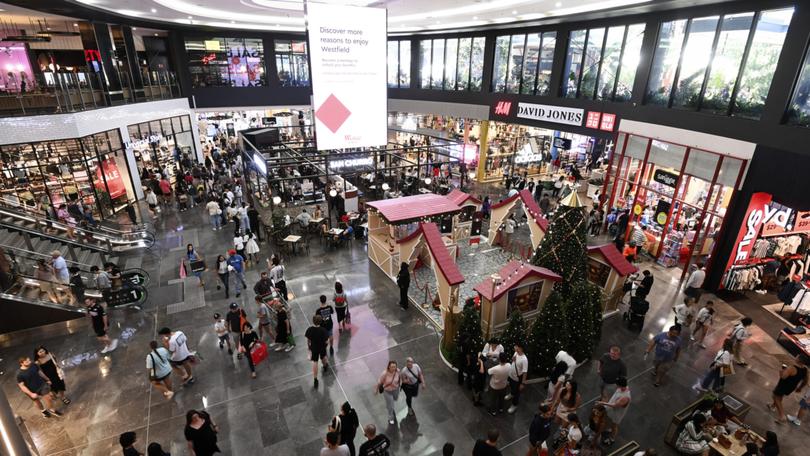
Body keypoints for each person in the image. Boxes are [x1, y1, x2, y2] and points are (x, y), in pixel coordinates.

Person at [769, 358, 808, 423]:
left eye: (797, 357)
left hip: (783, 385)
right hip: (791, 387)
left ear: (799, 360)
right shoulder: (805, 370)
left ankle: (782, 416)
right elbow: (805, 381)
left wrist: (782, 371)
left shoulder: (792, 368)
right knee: (780, 396)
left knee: (775, 397)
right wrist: (800, 388)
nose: (796, 358)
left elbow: (783, 377)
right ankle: (772, 406)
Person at [597, 377, 631, 444]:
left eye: (617, 384)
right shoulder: (622, 388)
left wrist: (603, 403)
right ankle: (608, 428)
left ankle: (612, 439)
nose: (616, 385)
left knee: (614, 425)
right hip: (611, 409)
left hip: (617, 413)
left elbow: (614, 405)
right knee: (609, 419)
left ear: (621, 385)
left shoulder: (625, 397)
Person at [306, 315, 330, 388]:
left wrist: (309, 347)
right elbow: (327, 341)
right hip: (322, 347)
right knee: (323, 357)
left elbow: (308, 340)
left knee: (315, 362)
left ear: (313, 321)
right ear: (321, 321)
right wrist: (326, 344)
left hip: (314, 348)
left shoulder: (309, 329)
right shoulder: (323, 330)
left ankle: (315, 379)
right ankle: (325, 366)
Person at [376, 361, 402, 425]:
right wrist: (376, 390)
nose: (394, 368)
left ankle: (389, 404)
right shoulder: (384, 373)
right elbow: (379, 382)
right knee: (391, 406)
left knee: (395, 399)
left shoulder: (398, 371)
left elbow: (400, 378)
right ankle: (391, 418)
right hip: (387, 391)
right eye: (392, 367)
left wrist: (400, 384)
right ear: (389, 367)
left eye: (395, 366)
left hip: (396, 389)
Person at [507, 343, 528, 414]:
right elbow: (512, 360)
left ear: (521, 348)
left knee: (517, 392)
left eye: (517, 347)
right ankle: (511, 394)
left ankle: (514, 405)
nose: (515, 347)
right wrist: (513, 359)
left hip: (517, 379)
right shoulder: (515, 353)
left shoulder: (524, 359)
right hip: (511, 375)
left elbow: (525, 372)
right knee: (512, 387)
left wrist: (522, 383)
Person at [487, 352, 511, 416]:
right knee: (501, 398)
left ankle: (493, 412)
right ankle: (501, 409)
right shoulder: (509, 365)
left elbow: (488, 371)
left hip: (494, 387)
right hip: (503, 386)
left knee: (493, 400)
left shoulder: (496, 368)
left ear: (499, 359)